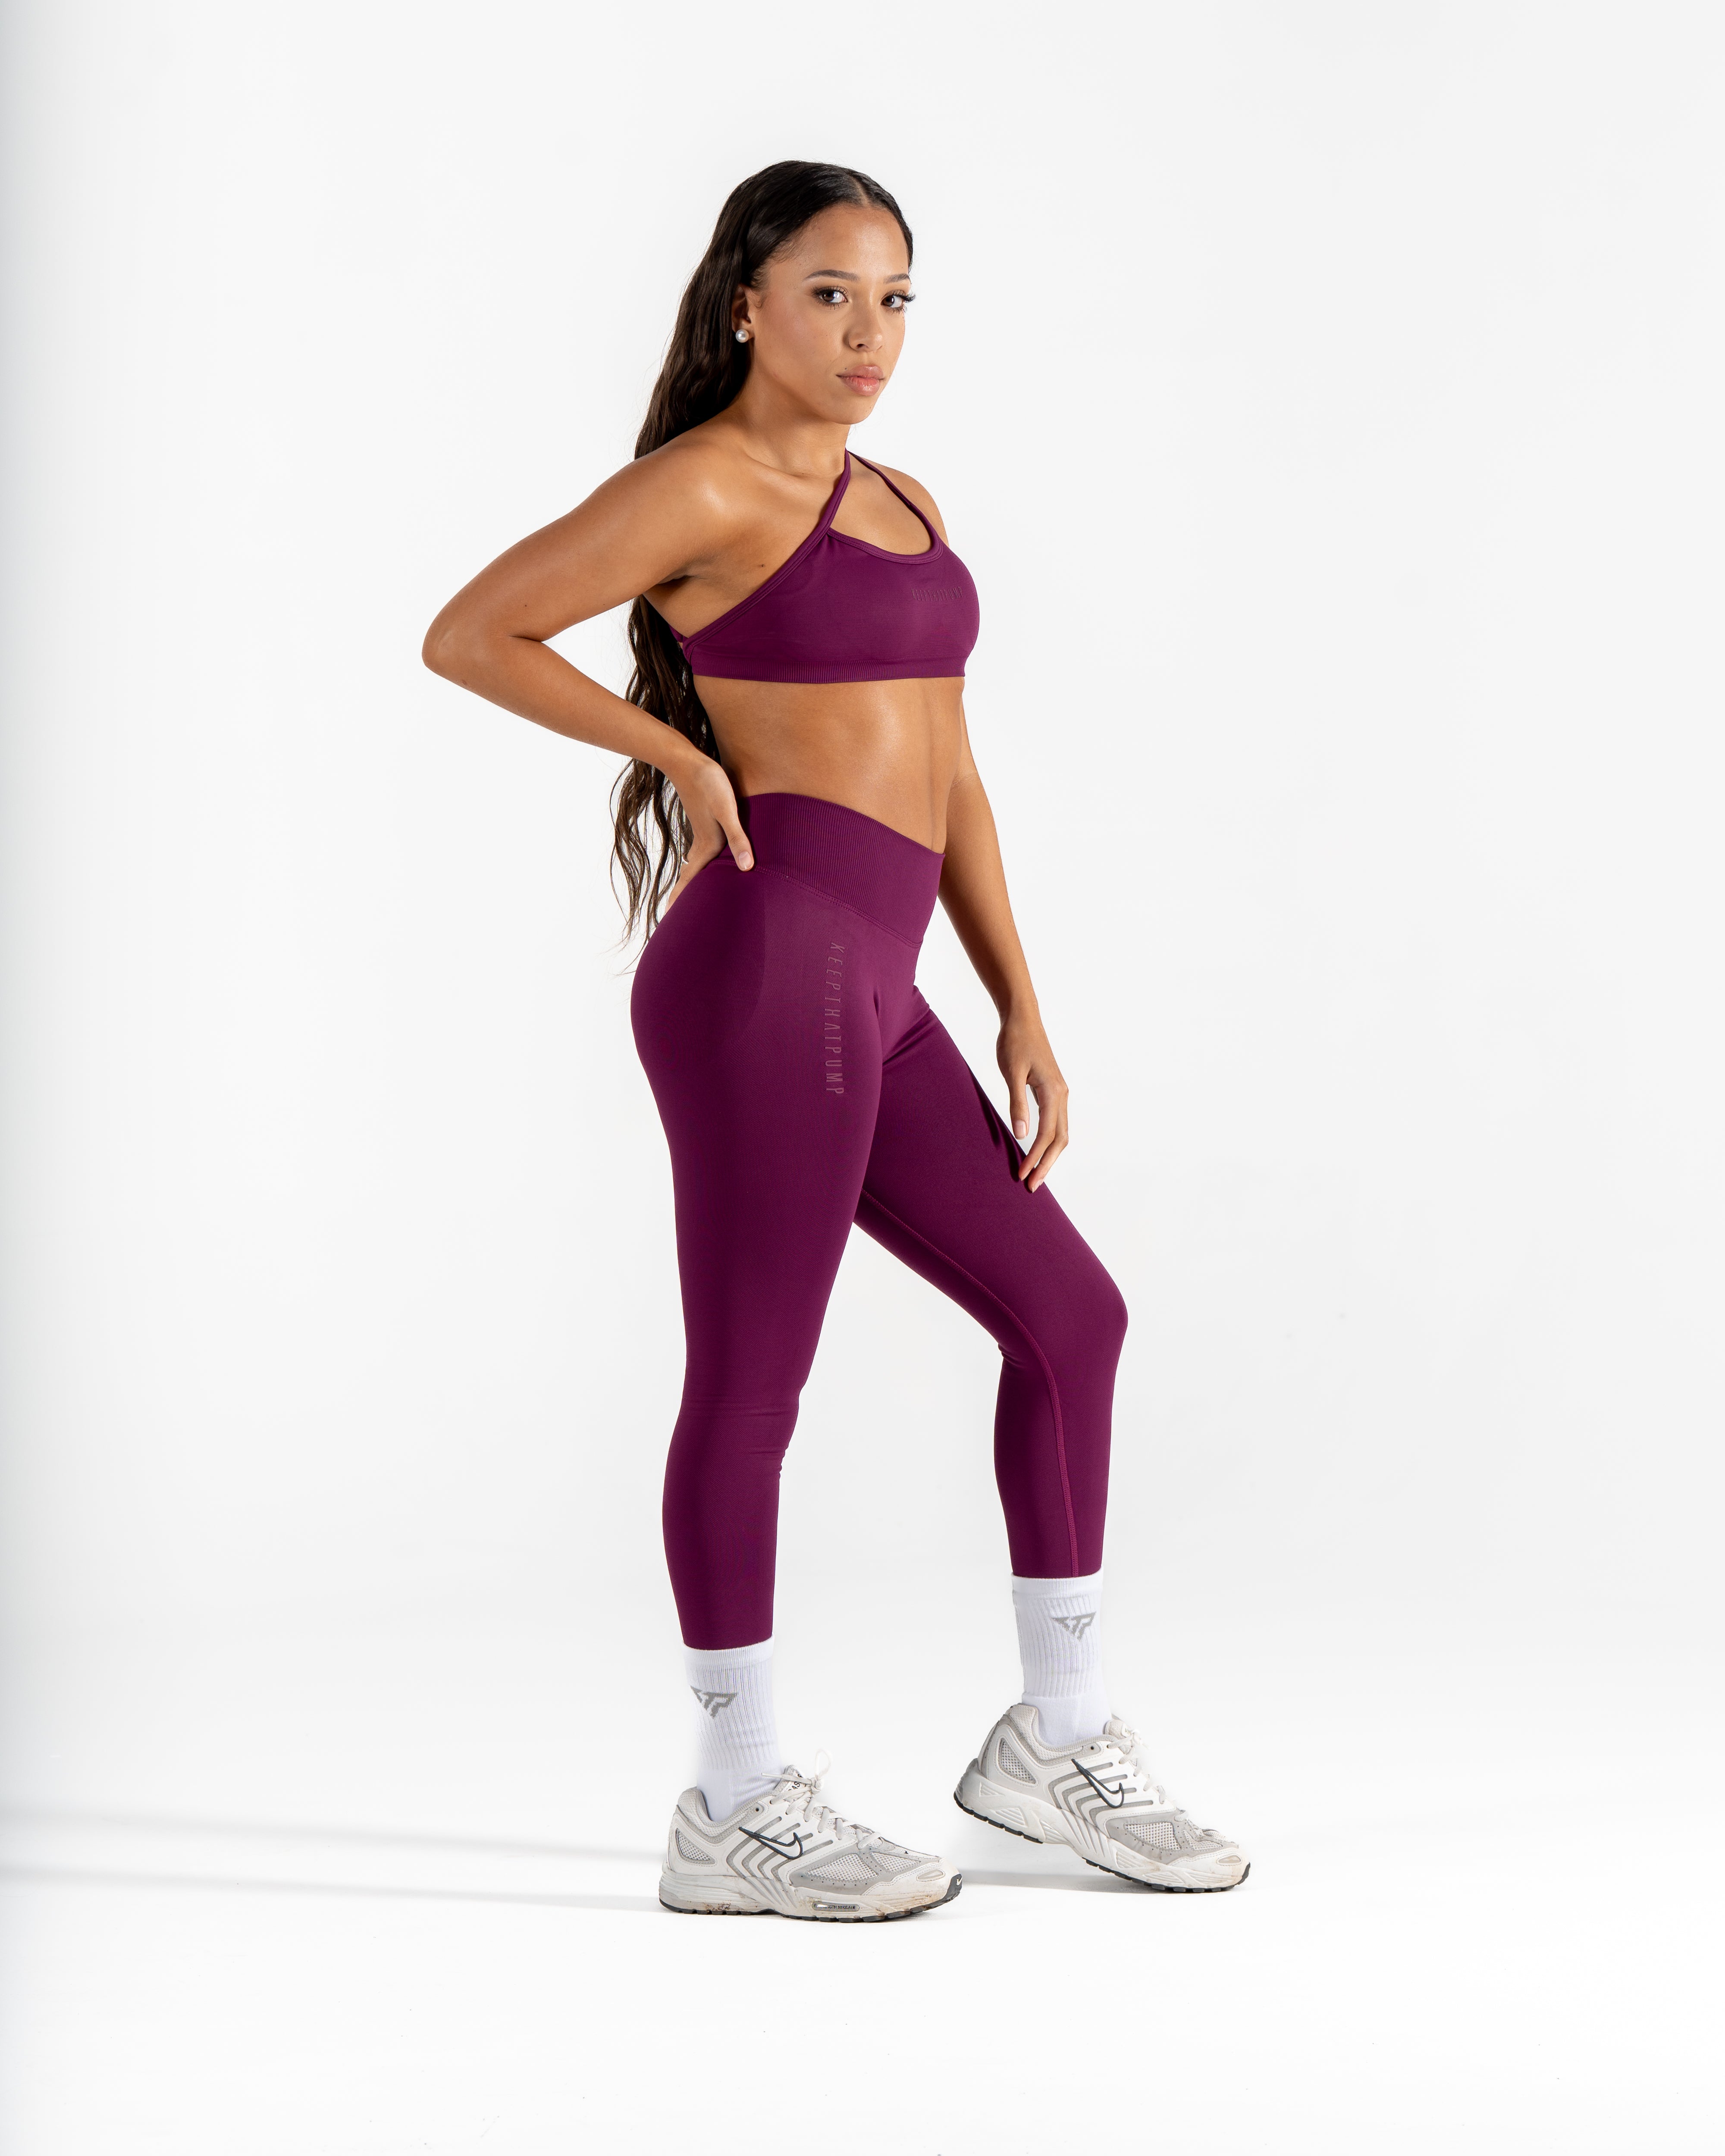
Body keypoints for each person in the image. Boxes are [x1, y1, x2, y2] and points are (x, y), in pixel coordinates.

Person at [423, 161, 1247, 1921]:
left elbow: (949, 768)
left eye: (894, 300)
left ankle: (1056, 1741)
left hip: (879, 979)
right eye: (828, 295)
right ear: (745, 305)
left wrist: (1019, 998)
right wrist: (676, 754)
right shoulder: (704, 483)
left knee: (1072, 1318)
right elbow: (470, 632)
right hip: (763, 969)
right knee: (754, 1383)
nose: (869, 334)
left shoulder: (903, 499)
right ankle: (732, 1801)